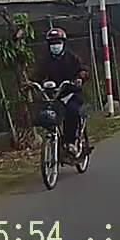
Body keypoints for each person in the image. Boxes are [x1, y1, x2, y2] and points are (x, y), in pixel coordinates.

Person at [32, 27, 89, 160]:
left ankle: (71, 142)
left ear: (63, 43)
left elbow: (83, 69)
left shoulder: (72, 57)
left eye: (57, 42)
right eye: (52, 43)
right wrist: (31, 82)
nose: (55, 46)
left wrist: (80, 78)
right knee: (46, 113)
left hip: (71, 93)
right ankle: (54, 141)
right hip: (54, 95)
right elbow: (38, 74)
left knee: (71, 111)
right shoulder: (46, 60)